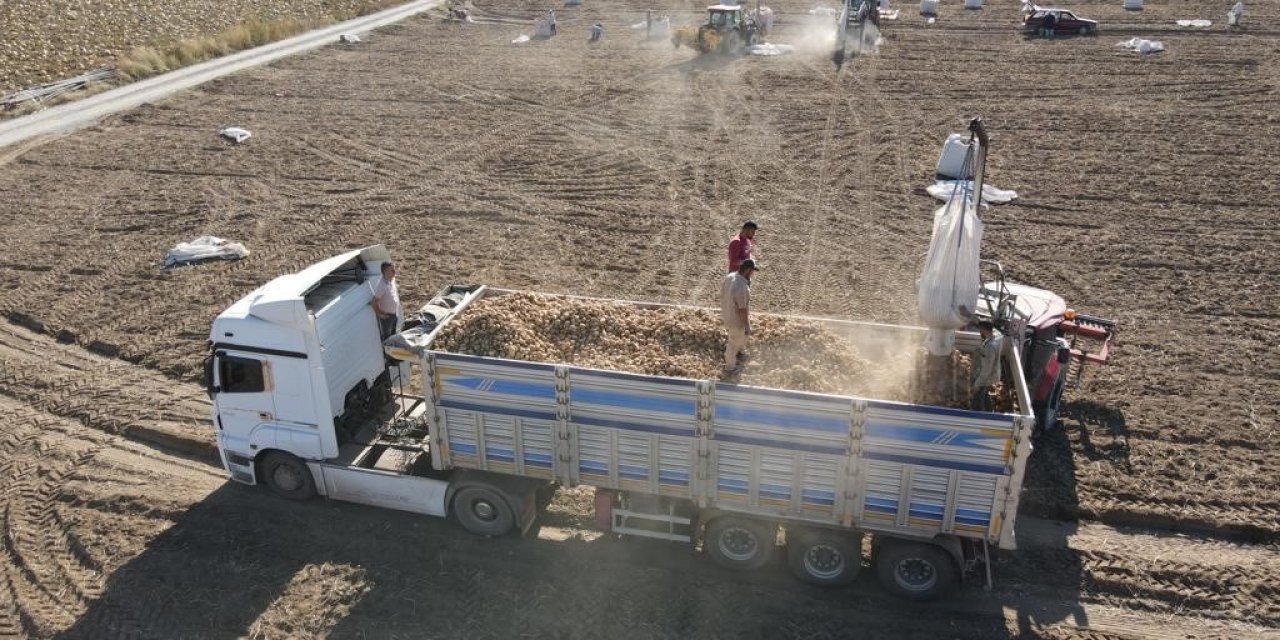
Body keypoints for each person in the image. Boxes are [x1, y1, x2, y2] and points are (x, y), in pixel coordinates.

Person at [720, 258, 757, 374]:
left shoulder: (730, 277)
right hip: (736, 320)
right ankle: (730, 367)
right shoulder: (742, 287)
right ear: (747, 271)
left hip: (727, 313)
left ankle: (741, 351)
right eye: (752, 271)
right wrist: (747, 326)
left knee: (739, 337)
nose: (753, 274)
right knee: (733, 342)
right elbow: (742, 310)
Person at [971, 320, 1003, 411]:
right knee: (984, 395)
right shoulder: (998, 336)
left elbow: (986, 369)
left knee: (977, 400)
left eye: (980, 330)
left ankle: (979, 417)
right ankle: (990, 411)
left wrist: (978, 383)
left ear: (984, 329)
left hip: (987, 376)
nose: (980, 333)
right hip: (993, 374)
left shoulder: (989, 347)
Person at [371, 262, 401, 339]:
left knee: (393, 333)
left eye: (394, 269)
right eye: (392, 270)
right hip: (387, 317)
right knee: (387, 337)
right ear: (385, 272)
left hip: (394, 313)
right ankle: (386, 350)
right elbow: (374, 302)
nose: (395, 271)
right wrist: (380, 314)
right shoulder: (381, 286)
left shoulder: (392, 279)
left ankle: (393, 348)